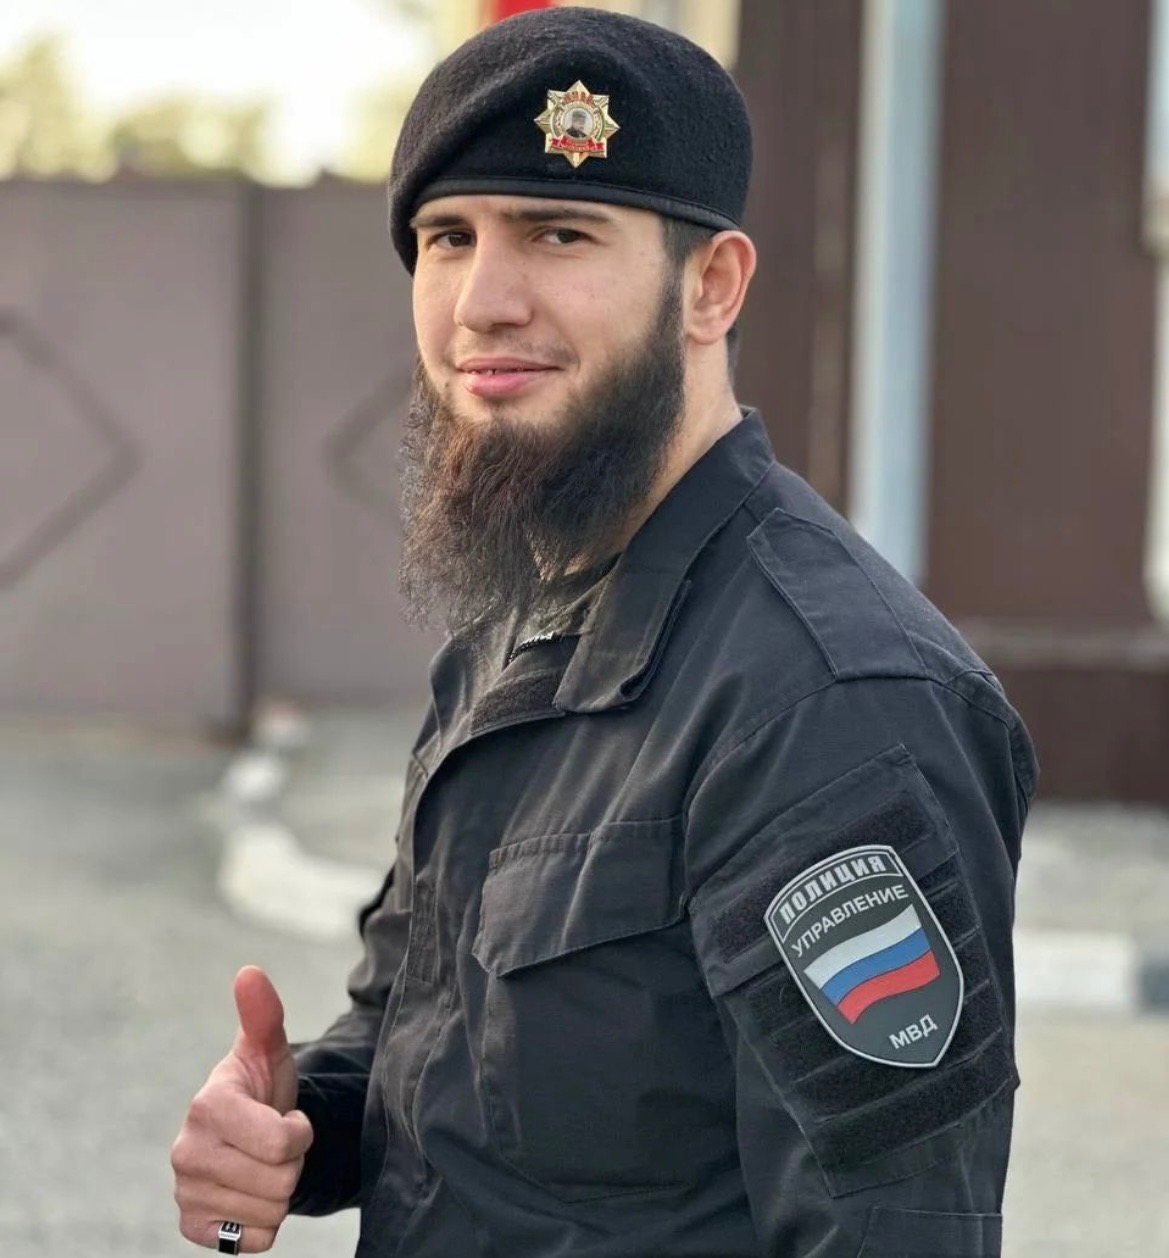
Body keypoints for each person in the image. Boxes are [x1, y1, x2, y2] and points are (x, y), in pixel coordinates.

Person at [171, 7, 1036, 1256]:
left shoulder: (828, 703)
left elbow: (887, 1232)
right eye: (447, 237)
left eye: (557, 232)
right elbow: (432, 1029)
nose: (482, 301)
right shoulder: (518, 623)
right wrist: (298, 1122)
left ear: (710, 286)